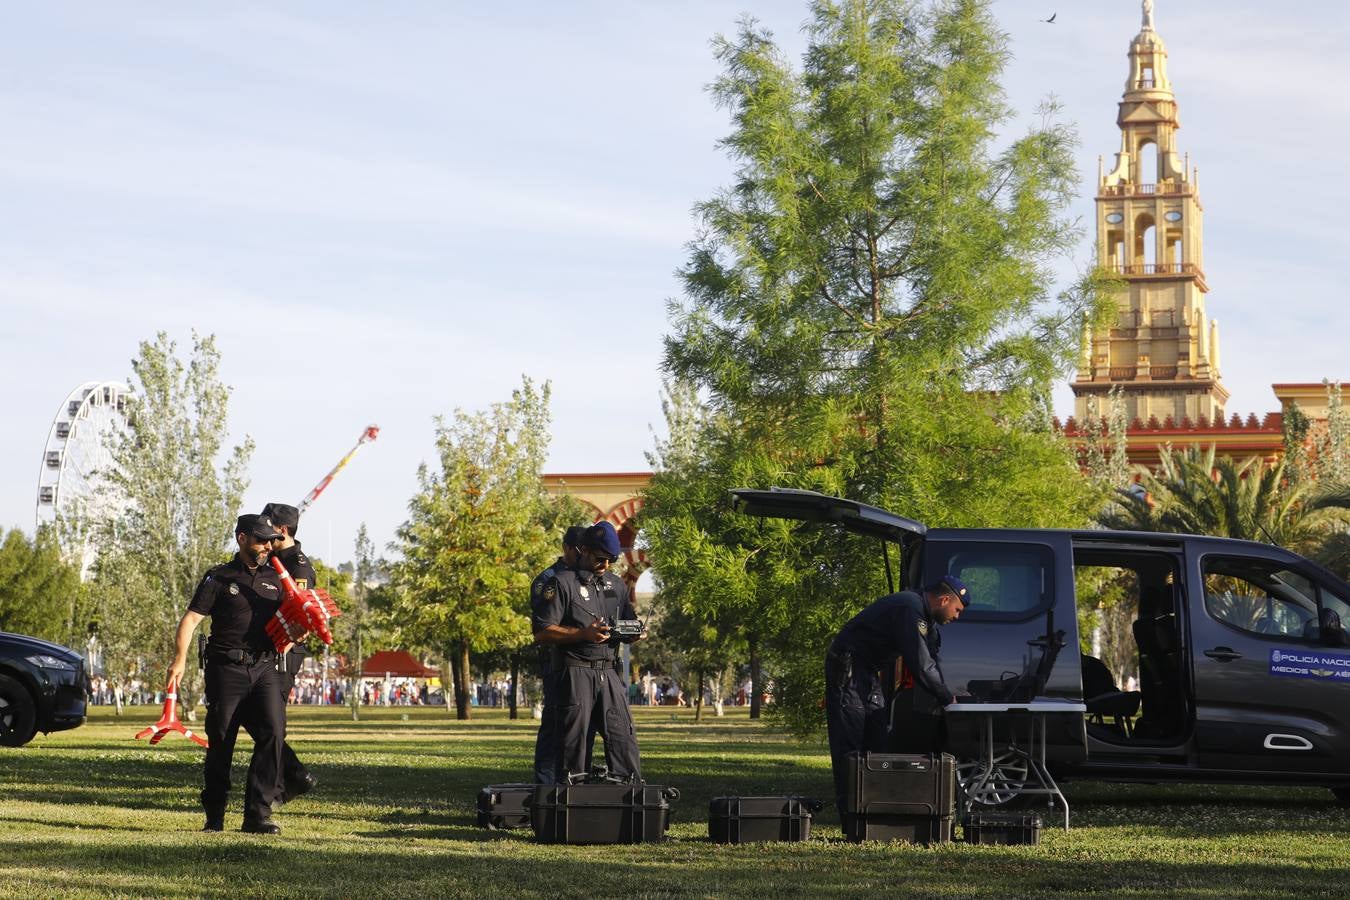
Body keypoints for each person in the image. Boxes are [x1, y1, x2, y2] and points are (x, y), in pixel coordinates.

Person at [167, 514, 288, 834]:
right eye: (261, 540)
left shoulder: (277, 578)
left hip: (265, 667)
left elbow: (288, 623)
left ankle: (257, 815)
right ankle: (215, 816)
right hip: (226, 669)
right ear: (242, 538)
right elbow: (190, 621)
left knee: (274, 733)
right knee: (221, 741)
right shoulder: (219, 578)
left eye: (270, 540)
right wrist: (179, 661)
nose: (266, 546)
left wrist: (295, 636)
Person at [823, 575, 970, 817]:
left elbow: (932, 661)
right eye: (956, 609)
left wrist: (948, 693)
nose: (957, 616)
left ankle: (873, 809)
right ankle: (850, 814)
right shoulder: (909, 609)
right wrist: (946, 699)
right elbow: (921, 664)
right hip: (849, 669)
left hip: (868, 672)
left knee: (877, 740)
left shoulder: (927, 620)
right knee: (850, 743)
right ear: (944, 600)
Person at [532, 521, 644, 782]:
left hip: (608, 671)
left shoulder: (615, 585)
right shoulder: (560, 584)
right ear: (583, 550)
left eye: (610, 561)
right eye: (599, 558)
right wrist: (582, 634)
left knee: (622, 737)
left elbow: (628, 620)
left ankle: (629, 798)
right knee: (573, 743)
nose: (604, 566)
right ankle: (570, 804)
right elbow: (542, 631)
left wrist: (635, 632)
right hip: (574, 671)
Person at [248, 502, 319, 802]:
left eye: (269, 527)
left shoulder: (298, 566)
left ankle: (282, 783)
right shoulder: (269, 558)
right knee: (257, 719)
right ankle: (292, 775)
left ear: (283, 530)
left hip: (283, 651)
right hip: (261, 648)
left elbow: (299, 615)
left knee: (270, 721)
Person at [529, 525, 585, 784]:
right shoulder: (548, 580)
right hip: (558, 664)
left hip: (586, 666)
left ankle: (575, 783)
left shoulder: (588, 577)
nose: (584, 555)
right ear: (566, 549)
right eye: (580, 550)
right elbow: (545, 627)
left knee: (582, 729)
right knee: (554, 725)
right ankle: (546, 786)